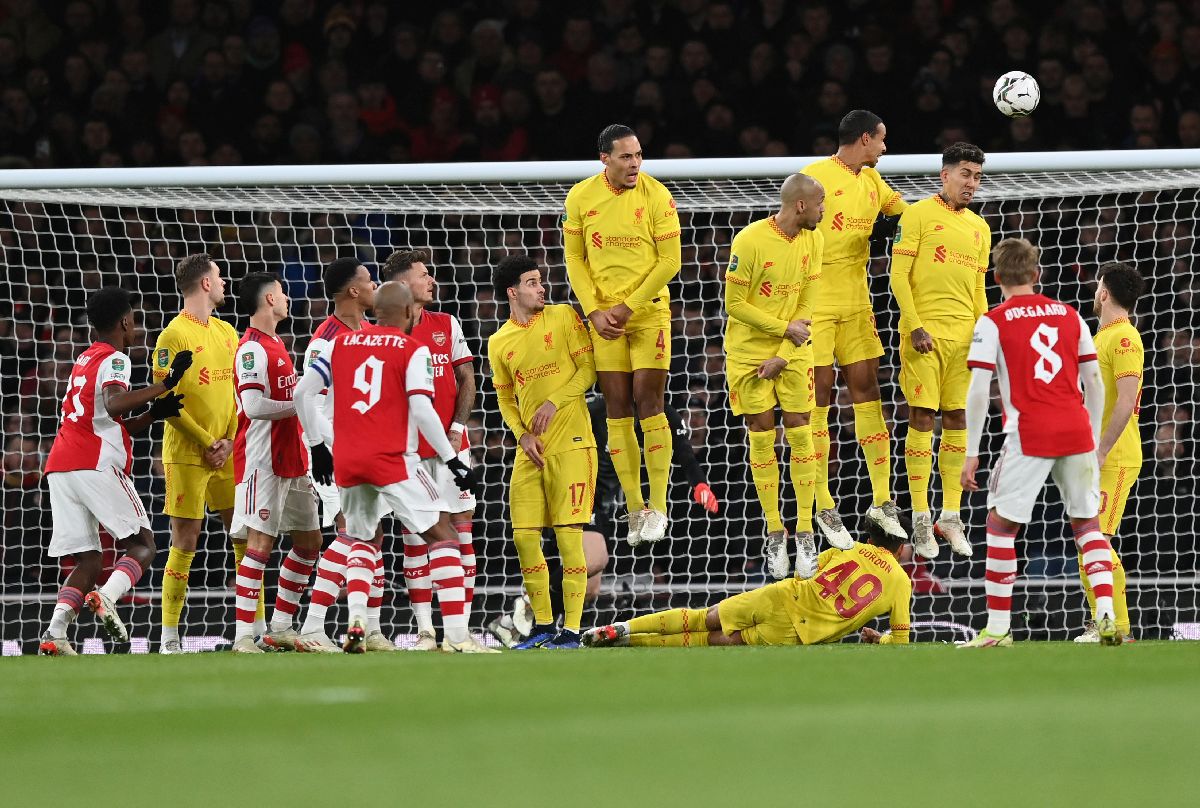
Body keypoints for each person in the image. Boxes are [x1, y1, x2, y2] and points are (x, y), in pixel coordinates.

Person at [294, 282, 492, 653]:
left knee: (360, 538)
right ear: (406, 312)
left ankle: (351, 623)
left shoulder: (338, 344)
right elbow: (421, 409)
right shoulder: (411, 349)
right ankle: (459, 637)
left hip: (348, 461)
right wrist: (452, 460)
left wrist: (319, 446)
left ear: (375, 312)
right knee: (443, 534)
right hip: (393, 460)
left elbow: (302, 393)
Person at [960, 238, 1119, 647]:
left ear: (996, 278)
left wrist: (973, 452)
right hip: (1077, 431)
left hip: (1029, 433)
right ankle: (1106, 615)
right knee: (1087, 526)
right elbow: (1095, 382)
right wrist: (1095, 439)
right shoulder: (1071, 316)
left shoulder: (992, 321)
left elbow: (978, 390)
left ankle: (997, 629)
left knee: (1000, 525)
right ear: (1037, 275)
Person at [486, 394, 720, 648]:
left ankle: (517, 623)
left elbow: (684, 451)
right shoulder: (596, 411)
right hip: (580, 490)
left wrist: (699, 483)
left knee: (589, 589)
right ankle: (530, 605)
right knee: (596, 559)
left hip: (608, 505)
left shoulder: (659, 412)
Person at [39, 287, 189, 655]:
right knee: (143, 545)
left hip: (61, 467)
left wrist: (154, 414)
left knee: (89, 558)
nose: (135, 326)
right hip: (94, 464)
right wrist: (165, 384)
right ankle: (106, 597)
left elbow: (107, 420)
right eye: (134, 319)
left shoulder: (84, 359)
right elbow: (114, 403)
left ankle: (55, 633)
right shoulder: (116, 358)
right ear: (124, 321)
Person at [563, 123, 681, 545]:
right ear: (605, 159)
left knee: (649, 402)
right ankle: (636, 508)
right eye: (626, 157)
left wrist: (627, 306)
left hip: (647, 314)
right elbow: (575, 260)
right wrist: (593, 311)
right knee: (615, 408)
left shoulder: (657, 196)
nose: (635, 164)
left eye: (638, 156)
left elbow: (670, 262)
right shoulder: (580, 197)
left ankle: (660, 506)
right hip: (604, 320)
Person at [801, 110, 908, 542]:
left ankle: (882, 500)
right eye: (882, 140)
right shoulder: (813, 176)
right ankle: (823, 504)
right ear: (865, 139)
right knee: (819, 400)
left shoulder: (873, 181)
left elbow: (907, 217)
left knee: (868, 392)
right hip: (817, 300)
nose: (885, 148)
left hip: (856, 301)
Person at [724, 173, 831, 581]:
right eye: (820, 203)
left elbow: (808, 301)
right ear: (800, 205)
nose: (824, 210)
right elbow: (734, 304)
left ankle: (805, 529)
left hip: (793, 350)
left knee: (802, 429)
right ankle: (774, 530)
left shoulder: (815, 240)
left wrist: (786, 353)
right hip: (749, 353)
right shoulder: (750, 241)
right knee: (761, 432)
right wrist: (781, 331)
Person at [488, 255, 598, 649]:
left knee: (569, 539)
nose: (541, 288)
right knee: (524, 537)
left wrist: (554, 401)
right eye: (532, 283)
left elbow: (588, 370)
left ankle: (571, 630)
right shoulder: (498, 341)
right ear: (512, 292)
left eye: (541, 281)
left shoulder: (564, 317)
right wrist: (521, 435)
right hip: (530, 450)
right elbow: (504, 397)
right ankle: (543, 626)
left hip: (572, 445)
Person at [583, 517, 911, 648]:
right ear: (902, 546)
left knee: (703, 616)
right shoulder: (900, 582)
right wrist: (879, 639)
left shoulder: (848, 546)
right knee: (712, 640)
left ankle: (624, 627)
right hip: (794, 632)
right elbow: (901, 643)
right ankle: (628, 644)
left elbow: (803, 573)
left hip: (781, 596)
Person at [890, 142, 990, 560]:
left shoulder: (979, 228)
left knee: (957, 418)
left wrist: (986, 336)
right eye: (965, 174)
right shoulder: (917, 215)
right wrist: (914, 326)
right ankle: (918, 516)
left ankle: (950, 516)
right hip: (924, 336)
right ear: (944, 175)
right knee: (922, 417)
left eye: (978, 177)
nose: (972, 183)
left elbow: (980, 290)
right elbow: (898, 275)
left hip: (964, 338)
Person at [379, 249, 479, 652]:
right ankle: (425, 632)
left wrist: (457, 427)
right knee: (415, 539)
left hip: (454, 446)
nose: (431, 281)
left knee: (463, 533)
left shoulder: (447, 324)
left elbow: (467, 378)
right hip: (409, 453)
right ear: (404, 285)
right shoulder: (385, 331)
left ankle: (462, 630)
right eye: (424, 275)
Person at [295, 257, 395, 652]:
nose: (375, 287)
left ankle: (370, 628)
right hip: (331, 450)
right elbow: (311, 403)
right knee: (350, 530)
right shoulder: (325, 338)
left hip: (363, 449)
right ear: (353, 291)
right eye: (369, 281)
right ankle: (312, 627)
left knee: (373, 532)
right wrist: (325, 448)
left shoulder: (368, 333)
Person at [228, 273, 323, 654]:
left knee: (310, 540)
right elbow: (252, 407)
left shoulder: (276, 343)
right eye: (283, 293)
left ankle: (281, 625)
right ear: (269, 299)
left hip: (293, 459)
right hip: (262, 459)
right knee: (260, 543)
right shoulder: (251, 349)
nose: (287, 299)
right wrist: (301, 403)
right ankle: (241, 637)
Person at [154, 253, 242, 654]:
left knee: (242, 536)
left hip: (227, 451)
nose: (224, 283)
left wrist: (227, 440)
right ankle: (169, 637)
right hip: (188, 453)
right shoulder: (172, 335)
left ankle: (251, 631)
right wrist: (208, 442)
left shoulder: (228, 332)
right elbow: (166, 401)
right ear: (205, 283)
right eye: (219, 277)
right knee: (186, 541)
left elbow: (239, 393)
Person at [1075, 262, 1146, 643]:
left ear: (1104, 294)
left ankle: (1115, 626)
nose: (1095, 292)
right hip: (1094, 455)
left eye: (1097, 286)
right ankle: (1102, 622)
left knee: (1097, 539)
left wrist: (1101, 451)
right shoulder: (1100, 337)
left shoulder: (1123, 338)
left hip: (1114, 456)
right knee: (1089, 540)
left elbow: (1126, 399)